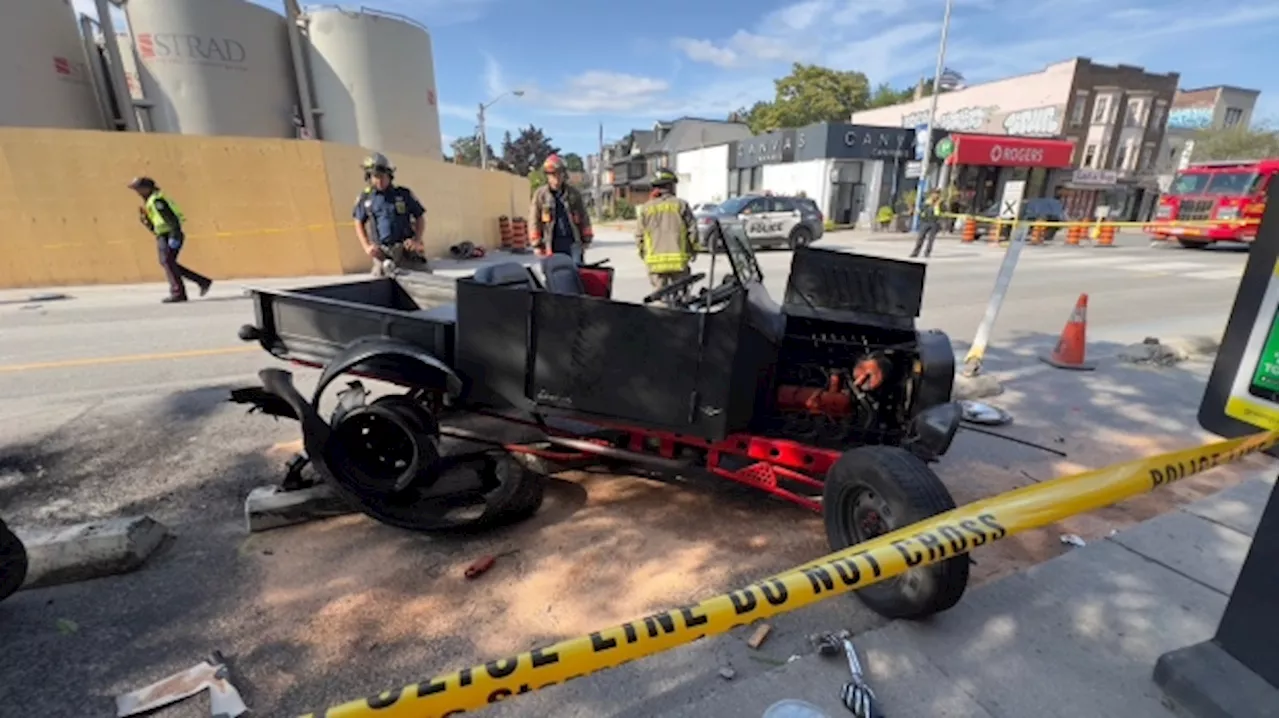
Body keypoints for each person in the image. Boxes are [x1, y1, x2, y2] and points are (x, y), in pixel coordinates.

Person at [128, 176, 211, 303]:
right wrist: (147, 222)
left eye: (138, 188)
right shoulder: (149, 201)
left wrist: (175, 235)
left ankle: (178, 293)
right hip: (162, 235)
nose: (137, 192)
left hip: (170, 234)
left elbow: (171, 219)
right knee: (167, 262)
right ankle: (201, 281)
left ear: (147, 188)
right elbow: (156, 223)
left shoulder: (157, 200)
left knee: (168, 262)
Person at [353, 152, 429, 276]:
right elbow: (358, 222)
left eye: (383, 177)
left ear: (389, 175)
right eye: (375, 177)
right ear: (369, 177)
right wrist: (367, 246)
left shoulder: (404, 194)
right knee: (380, 290)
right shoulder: (366, 198)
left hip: (406, 251)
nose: (379, 181)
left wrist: (417, 240)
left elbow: (420, 217)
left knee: (428, 286)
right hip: (382, 254)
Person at [635, 168, 698, 306]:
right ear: (670, 186)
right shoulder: (681, 205)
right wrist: (693, 250)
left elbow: (639, 236)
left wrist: (643, 254)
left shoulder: (646, 208)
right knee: (682, 300)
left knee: (659, 300)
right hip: (678, 263)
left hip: (655, 265)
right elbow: (692, 231)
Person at [528, 154, 593, 262]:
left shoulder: (574, 194)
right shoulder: (540, 195)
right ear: (547, 176)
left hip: (572, 242)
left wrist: (586, 238)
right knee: (553, 275)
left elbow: (583, 216)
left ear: (563, 174)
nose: (556, 177)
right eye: (552, 174)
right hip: (551, 243)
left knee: (576, 272)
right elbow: (534, 220)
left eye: (559, 173)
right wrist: (537, 244)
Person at [910, 189, 943, 259]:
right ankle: (915, 252)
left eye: (937, 194)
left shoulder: (940, 203)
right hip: (925, 222)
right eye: (934, 193)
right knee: (920, 238)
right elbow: (921, 210)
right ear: (931, 194)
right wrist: (918, 212)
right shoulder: (927, 202)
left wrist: (937, 206)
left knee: (931, 239)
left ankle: (927, 253)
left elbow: (941, 213)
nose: (935, 195)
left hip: (934, 222)